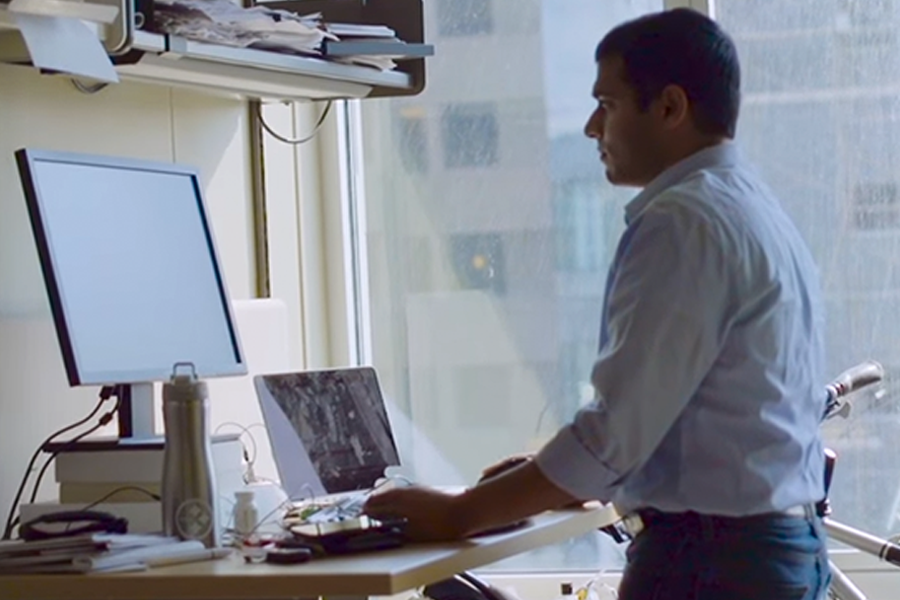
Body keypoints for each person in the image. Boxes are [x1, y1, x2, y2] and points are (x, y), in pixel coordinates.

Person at [364, 8, 830, 600]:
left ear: (669, 108)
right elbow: (677, 422)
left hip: (711, 567)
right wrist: (548, 480)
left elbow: (615, 433)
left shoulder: (683, 223)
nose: (590, 127)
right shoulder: (750, 207)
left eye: (606, 104)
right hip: (769, 553)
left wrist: (458, 514)